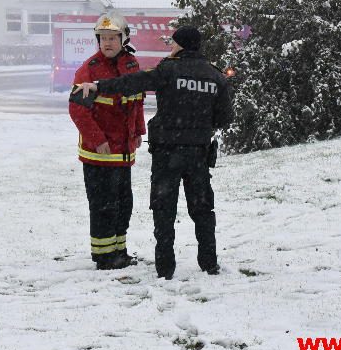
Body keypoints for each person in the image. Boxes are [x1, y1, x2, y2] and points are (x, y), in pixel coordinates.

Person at [74, 25, 232, 280]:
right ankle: (209, 263)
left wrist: (99, 86)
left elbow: (133, 83)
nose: (170, 48)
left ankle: (165, 267)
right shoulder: (216, 76)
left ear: (180, 45)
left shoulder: (167, 70)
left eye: (173, 44)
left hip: (167, 153)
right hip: (199, 155)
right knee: (202, 210)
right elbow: (224, 117)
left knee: (164, 210)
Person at [68, 10, 145, 270]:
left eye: (113, 37)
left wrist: (138, 132)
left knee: (124, 204)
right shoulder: (88, 71)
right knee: (103, 205)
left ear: (124, 39)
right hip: (99, 154)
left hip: (123, 153)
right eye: (103, 38)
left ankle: (119, 251)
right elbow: (78, 110)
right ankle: (104, 256)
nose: (108, 43)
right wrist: (97, 139)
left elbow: (136, 103)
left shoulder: (131, 65)